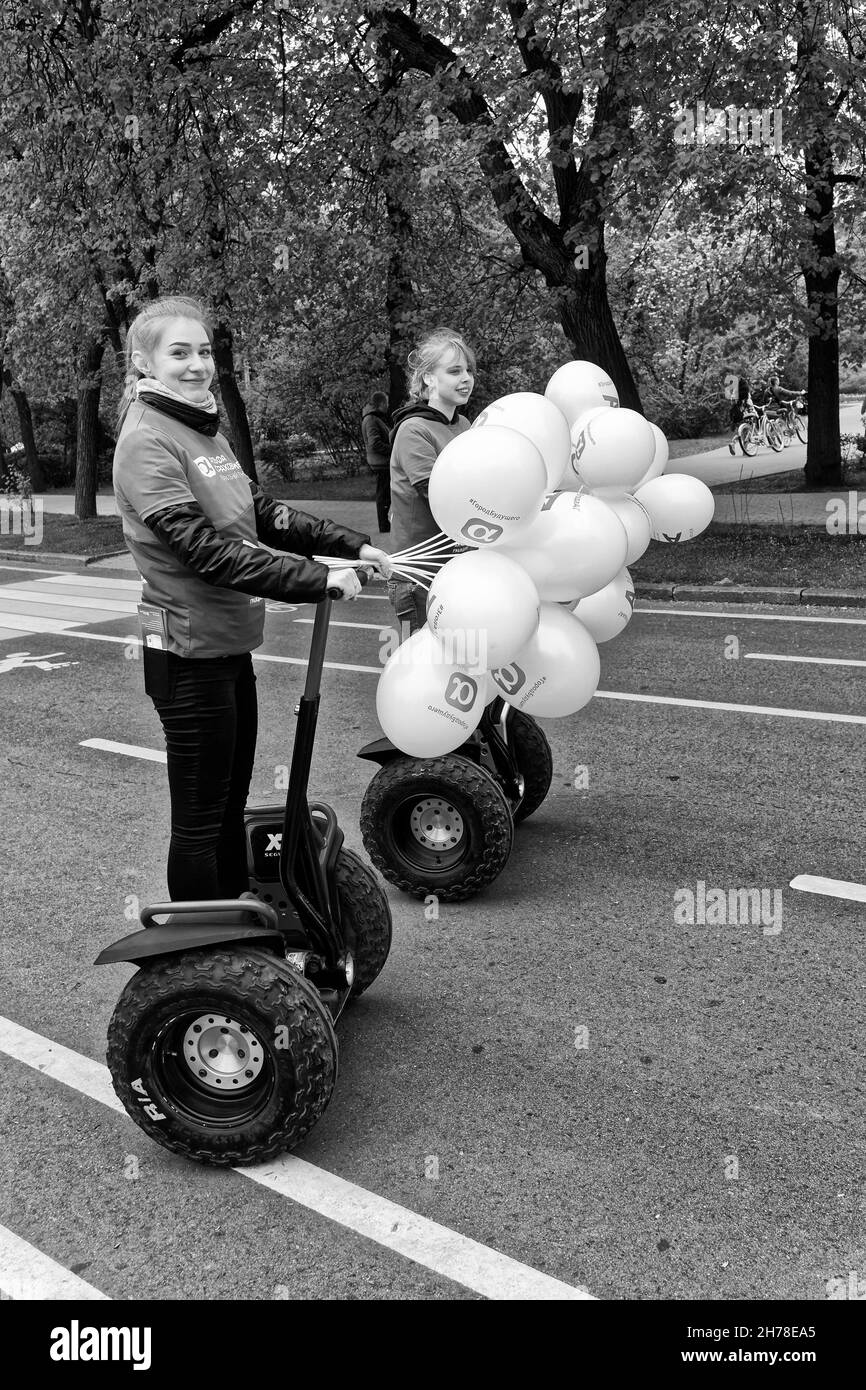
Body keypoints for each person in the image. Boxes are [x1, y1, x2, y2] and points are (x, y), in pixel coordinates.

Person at [112, 294, 391, 902]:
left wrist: (350, 547)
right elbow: (205, 550)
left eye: (204, 352)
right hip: (188, 653)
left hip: (227, 644)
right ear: (143, 363)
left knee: (229, 802)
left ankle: (238, 921)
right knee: (199, 818)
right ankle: (199, 957)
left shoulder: (199, 426)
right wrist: (315, 580)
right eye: (178, 353)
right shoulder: (146, 440)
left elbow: (259, 512)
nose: (196, 365)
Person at [388, 327, 475, 635]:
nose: (466, 378)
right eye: (454, 371)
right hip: (419, 576)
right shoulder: (414, 430)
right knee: (422, 671)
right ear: (428, 378)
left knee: (466, 662)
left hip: (460, 569)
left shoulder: (464, 424)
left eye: (468, 370)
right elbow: (439, 496)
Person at [360, 390, 392, 533]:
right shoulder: (371, 419)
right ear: (381, 403)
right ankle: (384, 525)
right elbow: (375, 443)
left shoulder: (374, 418)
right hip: (381, 463)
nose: (388, 406)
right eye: (386, 403)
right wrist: (394, 449)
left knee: (385, 494)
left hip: (382, 462)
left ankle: (385, 524)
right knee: (384, 495)